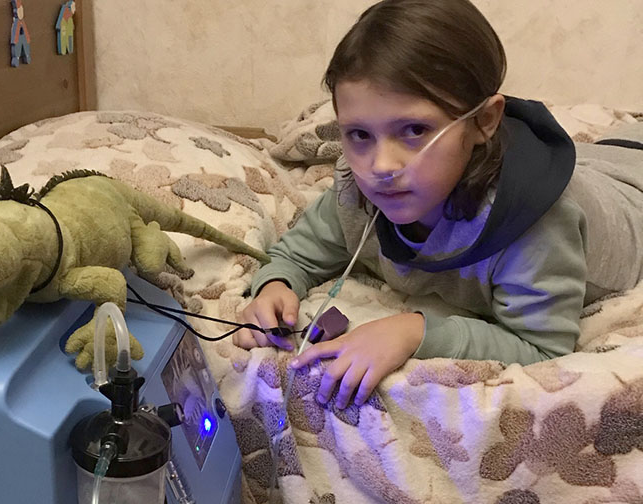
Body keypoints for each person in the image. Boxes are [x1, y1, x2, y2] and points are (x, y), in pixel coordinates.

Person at [234, 0, 643, 409]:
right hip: (595, 160)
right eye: (359, 134)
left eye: (414, 129)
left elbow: (541, 348)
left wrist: (415, 331)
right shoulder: (354, 190)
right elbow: (296, 257)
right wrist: (274, 286)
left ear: (484, 121)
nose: (381, 166)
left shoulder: (535, 222)